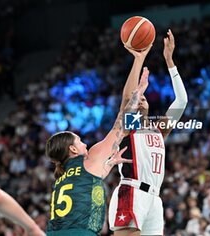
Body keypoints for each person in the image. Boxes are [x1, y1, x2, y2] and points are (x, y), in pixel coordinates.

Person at [45, 67, 150, 235]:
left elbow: (86, 186)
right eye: (80, 141)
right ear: (72, 149)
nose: (85, 145)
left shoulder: (63, 176)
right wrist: (138, 93)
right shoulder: (87, 160)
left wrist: (109, 164)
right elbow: (123, 126)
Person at [109, 29, 188, 236]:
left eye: (144, 97)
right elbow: (128, 100)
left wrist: (170, 61)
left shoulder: (158, 129)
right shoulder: (130, 126)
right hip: (132, 191)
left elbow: (181, 102)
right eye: (139, 98)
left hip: (155, 198)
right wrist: (139, 60)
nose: (141, 99)